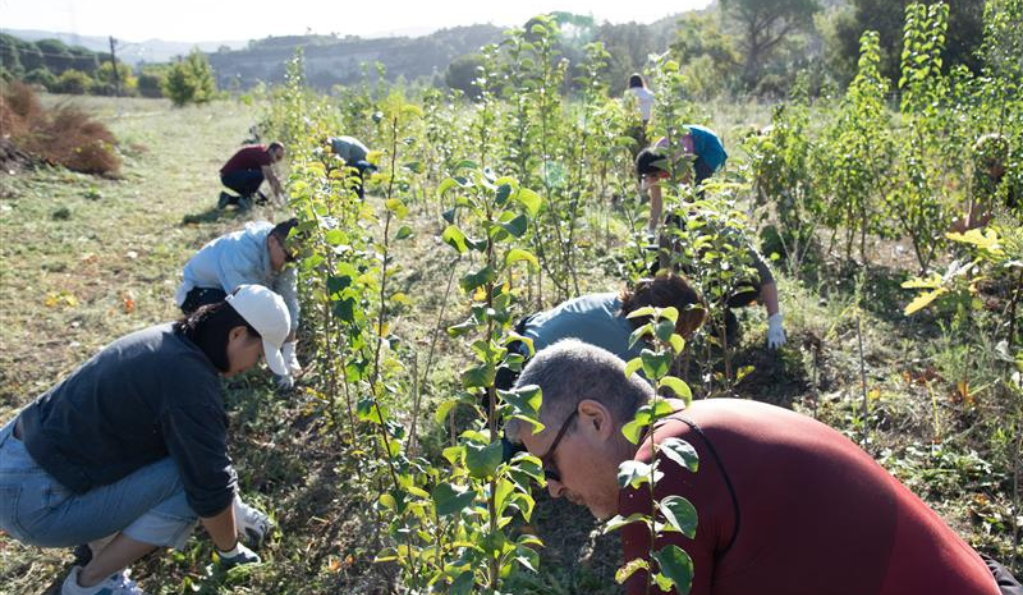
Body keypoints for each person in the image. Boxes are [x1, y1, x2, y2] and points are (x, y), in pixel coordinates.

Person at [504, 340, 1022, 595]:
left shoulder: (661, 470)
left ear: (594, 419)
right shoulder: (704, 426)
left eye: (548, 464)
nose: (550, 489)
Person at [0, 285, 290, 595]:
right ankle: (91, 583)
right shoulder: (189, 384)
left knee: (177, 455)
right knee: (185, 481)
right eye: (259, 353)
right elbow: (209, 483)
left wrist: (235, 509)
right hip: (32, 502)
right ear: (236, 334)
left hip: (14, 455)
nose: (254, 365)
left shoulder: (166, 339)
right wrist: (230, 551)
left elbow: (201, 452)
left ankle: (97, 544)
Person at [636, 135, 784, 349]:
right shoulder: (669, 234)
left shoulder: (719, 229)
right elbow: (667, 282)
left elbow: (765, 275)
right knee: (681, 283)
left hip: (737, 287)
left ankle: (721, 318)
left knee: (736, 283)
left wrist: (775, 320)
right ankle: (716, 321)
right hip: (706, 288)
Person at [494, 274, 707, 391]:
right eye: (686, 332)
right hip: (519, 380)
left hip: (515, 343)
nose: (685, 339)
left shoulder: (615, 301)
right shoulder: (634, 353)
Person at [175, 218, 303, 386]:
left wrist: (289, 351)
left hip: (231, 291)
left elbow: (289, 302)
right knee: (229, 331)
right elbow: (251, 311)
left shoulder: (285, 254)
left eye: (295, 259)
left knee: (251, 337)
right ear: (272, 241)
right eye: (288, 257)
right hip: (200, 292)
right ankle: (212, 371)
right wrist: (277, 362)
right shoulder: (241, 255)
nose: (290, 264)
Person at [636, 126, 728, 231]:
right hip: (692, 151)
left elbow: (687, 189)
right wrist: (651, 231)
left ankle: (699, 229)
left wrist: (675, 216)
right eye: (648, 177)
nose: (652, 179)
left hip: (710, 147)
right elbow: (656, 202)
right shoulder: (652, 168)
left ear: (659, 168)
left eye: (654, 176)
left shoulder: (675, 157)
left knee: (695, 190)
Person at [218, 142, 286, 209]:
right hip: (229, 176)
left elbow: (273, 179)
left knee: (263, 202)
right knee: (260, 175)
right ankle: (245, 200)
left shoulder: (264, 152)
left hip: (232, 177)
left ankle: (228, 198)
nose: (277, 161)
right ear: (271, 151)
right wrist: (279, 199)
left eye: (280, 159)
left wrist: (282, 193)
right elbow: (271, 179)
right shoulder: (263, 156)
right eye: (277, 157)